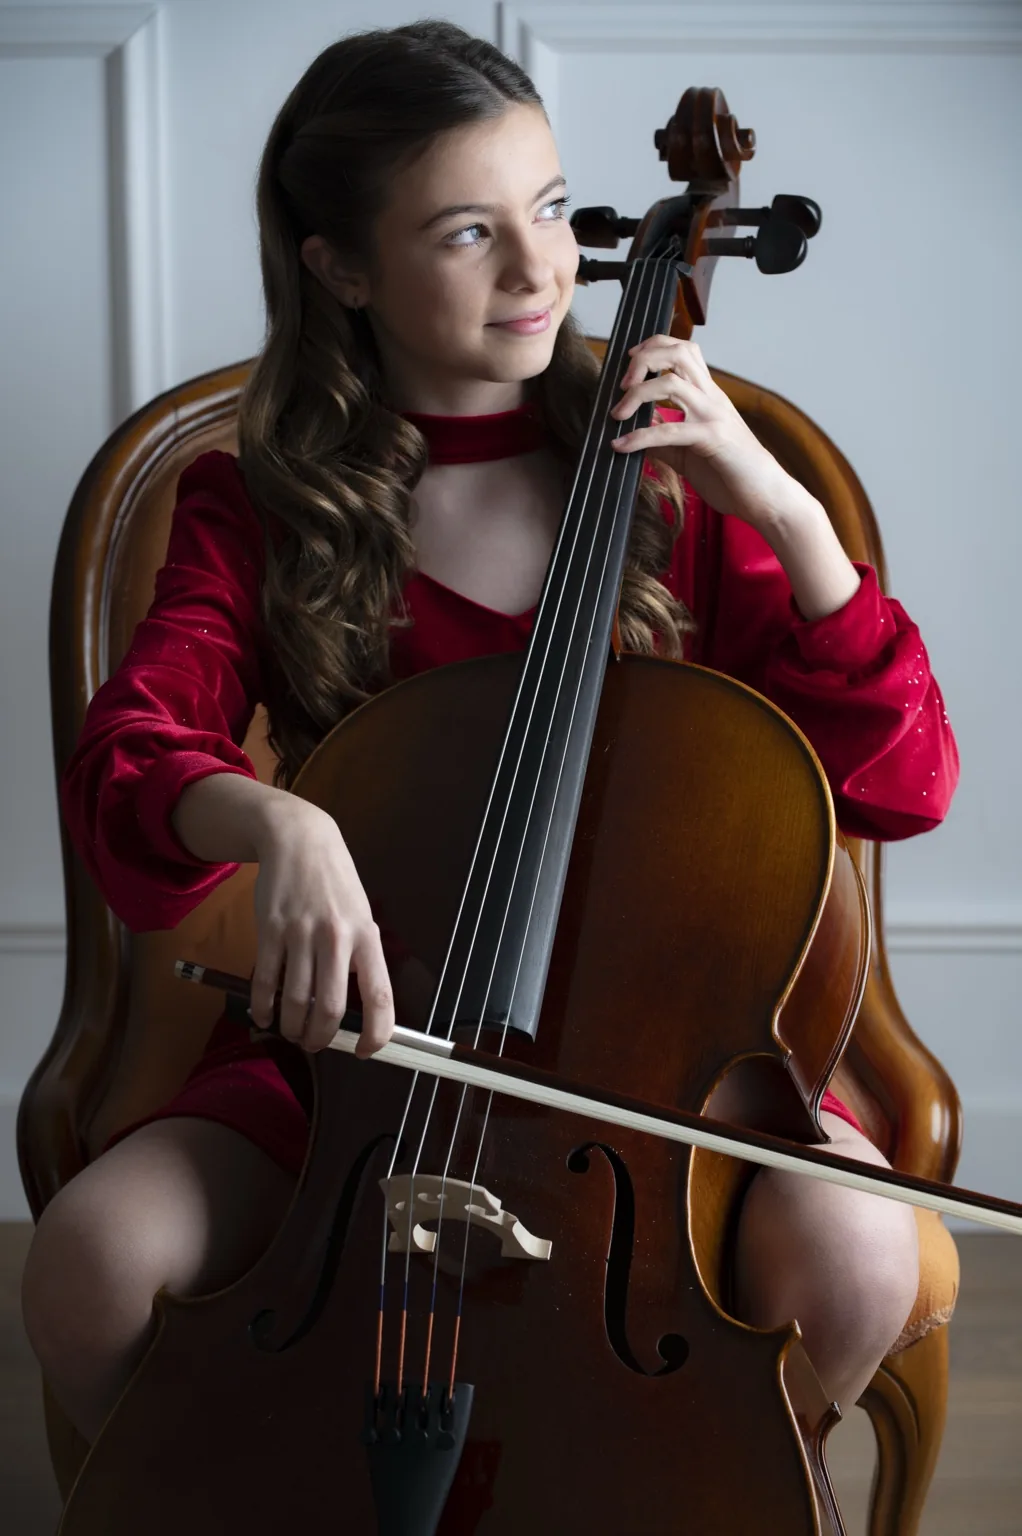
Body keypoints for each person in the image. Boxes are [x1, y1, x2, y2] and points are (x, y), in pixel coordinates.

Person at [21, 19, 958, 1455]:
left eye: (547, 208)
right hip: (361, 1055)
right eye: (467, 231)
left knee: (854, 1258)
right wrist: (279, 820)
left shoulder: (673, 481)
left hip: (676, 1055)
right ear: (338, 263)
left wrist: (779, 510)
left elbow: (903, 781)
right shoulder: (255, 503)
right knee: (92, 1263)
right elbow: (133, 748)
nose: (540, 269)